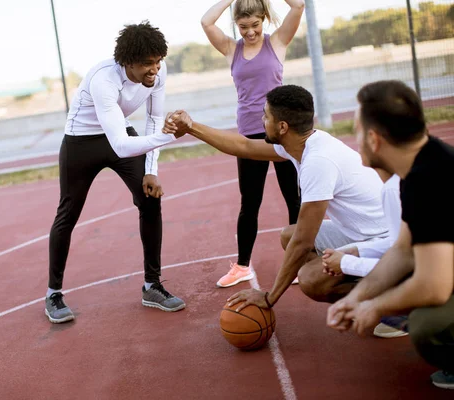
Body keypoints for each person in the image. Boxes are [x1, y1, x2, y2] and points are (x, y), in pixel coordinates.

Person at [163, 84, 388, 311]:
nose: (262, 121)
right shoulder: (305, 143)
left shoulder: (318, 162)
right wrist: (191, 127)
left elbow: (303, 242)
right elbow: (245, 145)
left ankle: (390, 300)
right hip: (364, 234)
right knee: (288, 235)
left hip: (388, 243)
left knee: (310, 279)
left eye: (266, 116)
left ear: (282, 127)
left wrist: (269, 298)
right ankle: (366, 282)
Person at [45, 21, 186, 324]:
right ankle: (53, 293)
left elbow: (154, 119)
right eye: (148, 63)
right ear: (127, 63)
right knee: (68, 213)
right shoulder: (103, 79)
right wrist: (172, 136)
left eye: (159, 61)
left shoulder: (157, 74)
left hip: (120, 133)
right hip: (82, 142)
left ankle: (152, 286)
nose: (155, 69)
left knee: (150, 199)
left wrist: (151, 170)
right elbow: (122, 146)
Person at [327, 80, 454, 389]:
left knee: (429, 325)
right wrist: (358, 296)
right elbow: (402, 250)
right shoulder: (421, 165)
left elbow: (434, 287)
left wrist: (375, 307)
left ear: (374, 139)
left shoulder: (431, 179)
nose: (354, 140)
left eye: (356, 131)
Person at [201, 0, 304, 287]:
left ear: (264, 20)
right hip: (248, 135)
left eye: (255, 25)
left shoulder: (278, 42)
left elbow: (298, 6)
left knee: (293, 198)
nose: (249, 32)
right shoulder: (231, 49)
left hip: (281, 132)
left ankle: (297, 262)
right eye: (243, 27)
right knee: (250, 202)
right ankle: (243, 265)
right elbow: (206, 22)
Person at [322, 169, 408, 338]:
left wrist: (346, 263)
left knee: (427, 325)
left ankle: (406, 312)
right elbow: (404, 243)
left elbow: (406, 261)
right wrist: (357, 251)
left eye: (363, 141)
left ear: (376, 143)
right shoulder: (409, 177)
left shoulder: (394, 187)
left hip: (440, 278)